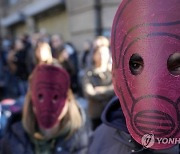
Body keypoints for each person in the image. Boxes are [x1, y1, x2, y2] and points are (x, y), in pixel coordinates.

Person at [89, 0, 180, 153]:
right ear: (117, 74)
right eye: (136, 65)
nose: (154, 86)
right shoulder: (102, 141)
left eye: (176, 66)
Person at [0, 62, 91, 154]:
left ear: (68, 100)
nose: (48, 106)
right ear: (32, 99)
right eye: (41, 96)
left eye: (55, 97)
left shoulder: (81, 139)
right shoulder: (13, 137)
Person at [83, 44, 114, 130]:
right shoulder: (89, 72)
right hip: (96, 113)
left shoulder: (113, 71)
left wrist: (101, 90)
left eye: (105, 53)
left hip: (112, 111)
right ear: (94, 55)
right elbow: (89, 92)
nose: (102, 56)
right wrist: (109, 91)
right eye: (99, 53)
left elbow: (116, 89)